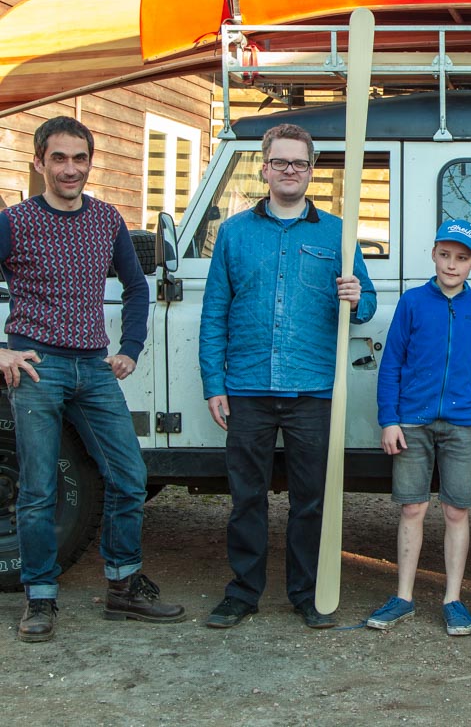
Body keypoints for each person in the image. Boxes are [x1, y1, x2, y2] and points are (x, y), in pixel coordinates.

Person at [0, 116, 184, 643]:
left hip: (94, 368)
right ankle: (40, 598)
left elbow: (137, 288)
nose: (70, 169)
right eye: (59, 158)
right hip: (38, 367)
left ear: (89, 162)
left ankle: (123, 587)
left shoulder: (106, 220)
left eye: (80, 158)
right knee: (38, 489)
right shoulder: (13, 222)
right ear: (39, 163)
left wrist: (130, 349)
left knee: (129, 477)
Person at [199, 123, 376, 630]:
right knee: (246, 498)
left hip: (313, 389)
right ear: (265, 167)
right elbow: (215, 314)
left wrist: (356, 297)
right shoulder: (233, 234)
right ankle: (243, 593)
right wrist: (215, 382)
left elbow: (367, 305)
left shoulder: (337, 233)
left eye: (299, 163)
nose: (290, 171)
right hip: (248, 388)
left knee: (311, 501)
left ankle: (305, 593)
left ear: (311, 169)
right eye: (280, 162)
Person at [366, 219, 471, 636]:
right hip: (413, 421)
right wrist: (389, 419)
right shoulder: (412, 302)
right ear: (434, 255)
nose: (452, 265)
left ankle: (453, 599)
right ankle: (403, 596)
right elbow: (391, 365)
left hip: (464, 423)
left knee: (457, 509)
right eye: (445, 255)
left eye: (462, 258)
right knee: (412, 507)